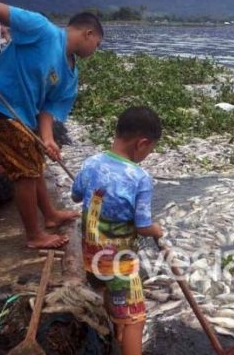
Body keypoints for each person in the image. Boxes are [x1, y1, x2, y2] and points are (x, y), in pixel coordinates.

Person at [0, 0, 103, 249]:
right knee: (26, 170)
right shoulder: (40, 29)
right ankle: (34, 236)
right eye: (97, 44)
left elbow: (47, 108)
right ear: (88, 33)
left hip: (23, 116)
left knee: (36, 159)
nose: (95, 50)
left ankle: (51, 215)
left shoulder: (70, 74)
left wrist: (47, 138)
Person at [71, 106, 164, 355]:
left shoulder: (91, 163)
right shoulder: (140, 177)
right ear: (141, 143)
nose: (148, 155)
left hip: (92, 258)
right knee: (136, 318)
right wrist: (157, 230)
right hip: (118, 263)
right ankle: (127, 337)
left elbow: (76, 195)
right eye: (150, 149)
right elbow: (143, 226)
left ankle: (116, 329)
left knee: (111, 293)